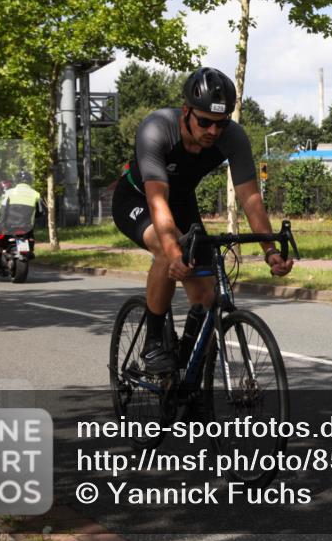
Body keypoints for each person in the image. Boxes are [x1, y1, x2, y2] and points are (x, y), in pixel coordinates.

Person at [112, 67, 294, 374]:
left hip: (181, 202)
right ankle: (154, 341)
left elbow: (250, 198)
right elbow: (157, 201)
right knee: (165, 248)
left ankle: (190, 385)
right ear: (186, 111)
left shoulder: (233, 138)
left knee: (206, 295)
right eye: (205, 121)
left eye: (220, 124)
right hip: (138, 199)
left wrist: (269, 250)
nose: (212, 131)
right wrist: (173, 253)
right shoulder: (157, 129)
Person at [0, 172, 44, 261]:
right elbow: (40, 212)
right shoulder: (36, 194)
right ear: (30, 181)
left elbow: (2, 209)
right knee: (30, 234)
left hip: (9, 225)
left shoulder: (9, 192)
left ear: (16, 181)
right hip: (26, 226)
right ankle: (31, 250)